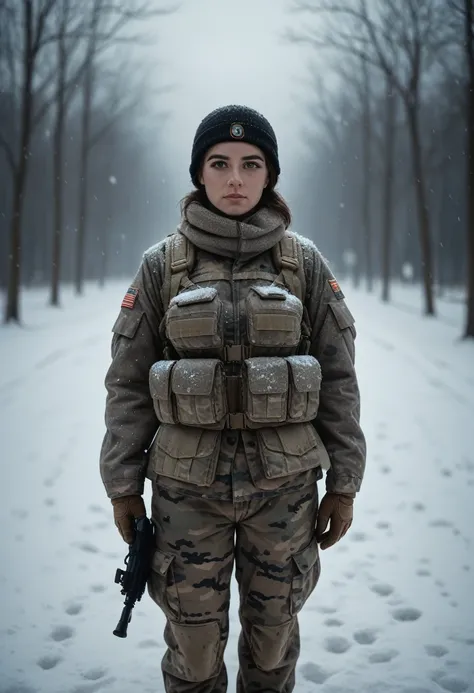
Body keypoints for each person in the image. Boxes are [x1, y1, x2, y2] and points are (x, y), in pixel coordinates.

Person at [100, 104, 366, 693]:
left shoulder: (304, 264)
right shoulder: (161, 267)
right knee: (193, 655)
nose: (236, 179)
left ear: (270, 175)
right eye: (219, 164)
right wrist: (122, 486)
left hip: (286, 493)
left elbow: (340, 381)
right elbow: (127, 386)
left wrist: (345, 482)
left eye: (251, 164)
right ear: (200, 174)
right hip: (187, 496)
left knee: (273, 645)